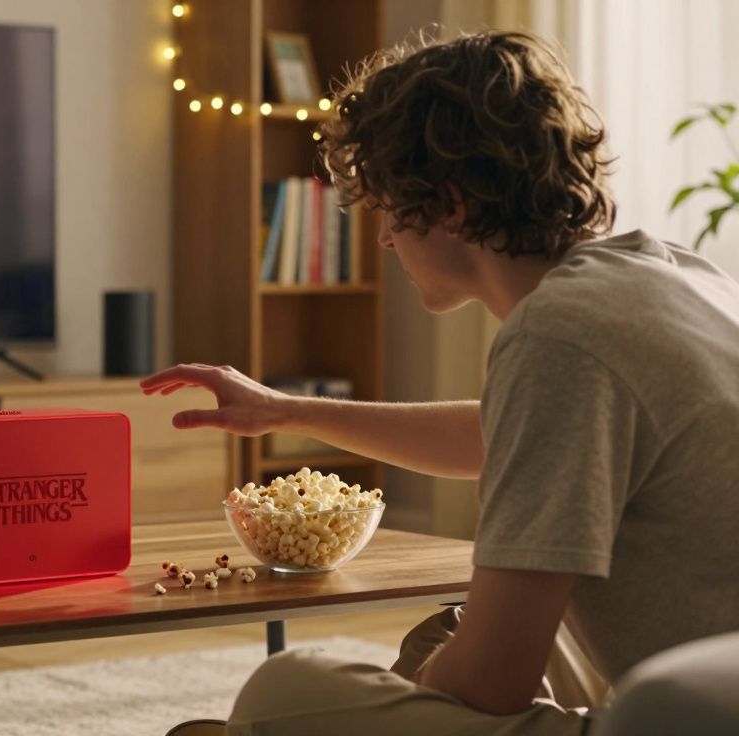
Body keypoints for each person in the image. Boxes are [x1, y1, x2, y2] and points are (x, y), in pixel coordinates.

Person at [145, 30, 739, 735]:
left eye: (389, 208)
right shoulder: (672, 272)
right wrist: (284, 409)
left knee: (287, 690)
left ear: (450, 206)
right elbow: (500, 435)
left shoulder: (560, 334)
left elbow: (491, 681)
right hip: (709, 675)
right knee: (444, 636)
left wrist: (414, 700)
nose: (384, 238)